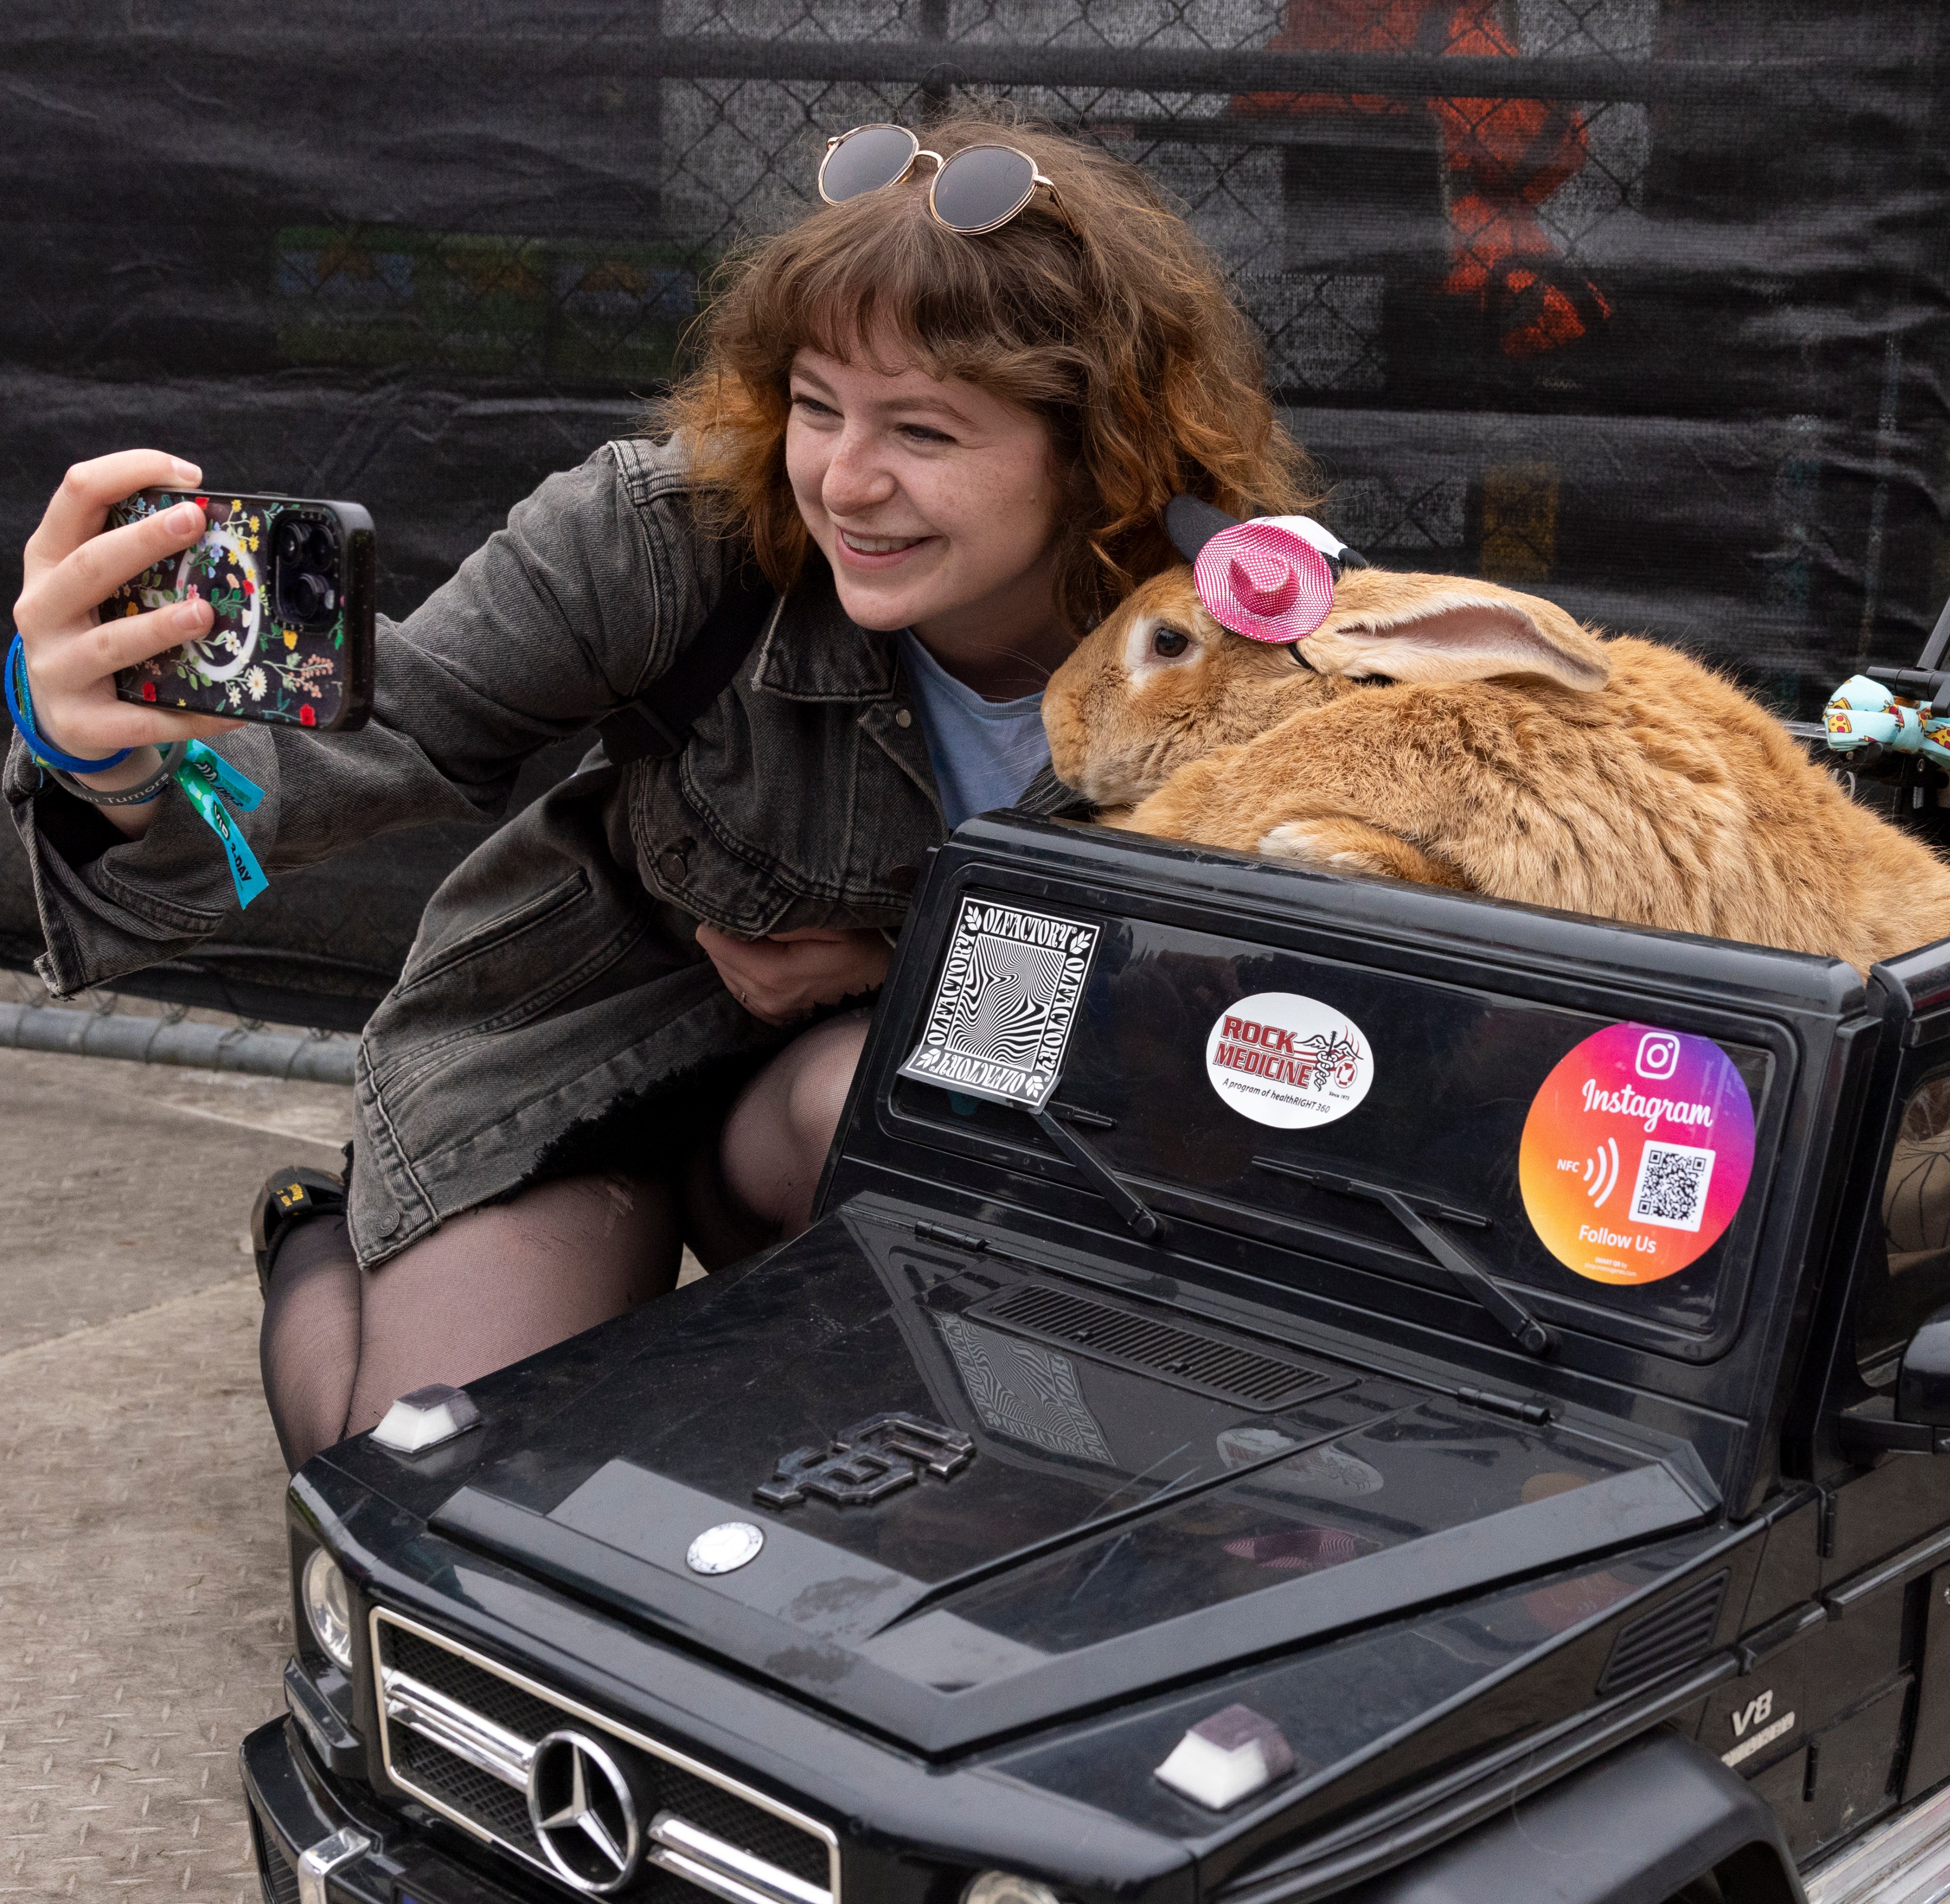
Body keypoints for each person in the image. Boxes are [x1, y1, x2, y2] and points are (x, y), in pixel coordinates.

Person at [6, 105, 1313, 1470]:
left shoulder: (1240, 646)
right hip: (580, 1062)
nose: (846, 483)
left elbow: (1232, 1017)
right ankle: (319, 1241)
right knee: (432, 1482)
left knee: (896, 1131)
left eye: (923, 430)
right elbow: (384, 736)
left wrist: (897, 959)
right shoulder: (670, 533)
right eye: (817, 405)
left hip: (861, 1113)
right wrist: (112, 769)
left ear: (1095, 448)